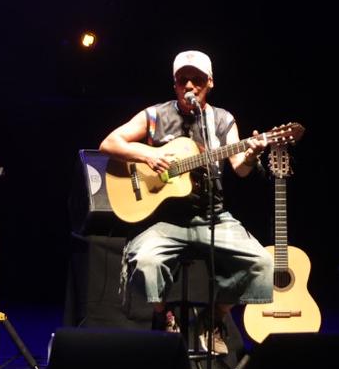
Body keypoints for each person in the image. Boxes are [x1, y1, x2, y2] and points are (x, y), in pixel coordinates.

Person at [100, 50, 273, 349]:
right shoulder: (155, 115)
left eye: (197, 80)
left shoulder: (222, 120)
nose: (190, 87)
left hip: (212, 216)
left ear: (210, 83)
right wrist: (149, 153)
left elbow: (240, 169)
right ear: (175, 84)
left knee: (263, 263)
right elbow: (109, 143)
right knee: (145, 261)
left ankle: (213, 318)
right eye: (183, 81)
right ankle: (164, 314)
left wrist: (254, 152)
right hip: (164, 219)